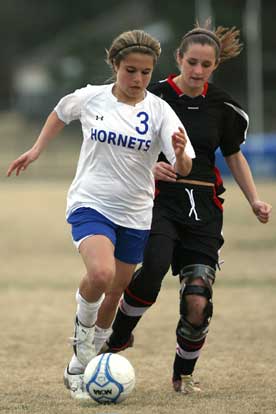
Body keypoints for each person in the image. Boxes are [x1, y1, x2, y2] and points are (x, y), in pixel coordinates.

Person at [6, 29, 195, 399]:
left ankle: (86, 364)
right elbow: (60, 112)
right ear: (115, 66)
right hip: (91, 202)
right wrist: (36, 149)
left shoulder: (160, 111)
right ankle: (81, 352)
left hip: (136, 213)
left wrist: (181, 154)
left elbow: (184, 167)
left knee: (115, 289)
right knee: (101, 272)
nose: (138, 79)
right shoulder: (92, 98)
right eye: (130, 71)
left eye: (145, 72)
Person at [96, 21, 272, 394]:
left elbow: (234, 155)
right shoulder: (153, 96)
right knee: (153, 268)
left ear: (215, 66)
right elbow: (123, 143)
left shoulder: (225, 107)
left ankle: (183, 375)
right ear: (178, 58)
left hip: (204, 208)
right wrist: (150, 167)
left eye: (205, 65)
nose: (197, 70)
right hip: (158, 201)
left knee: (197, 298)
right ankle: (118, 340)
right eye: (191, 62)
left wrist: (254, 198)